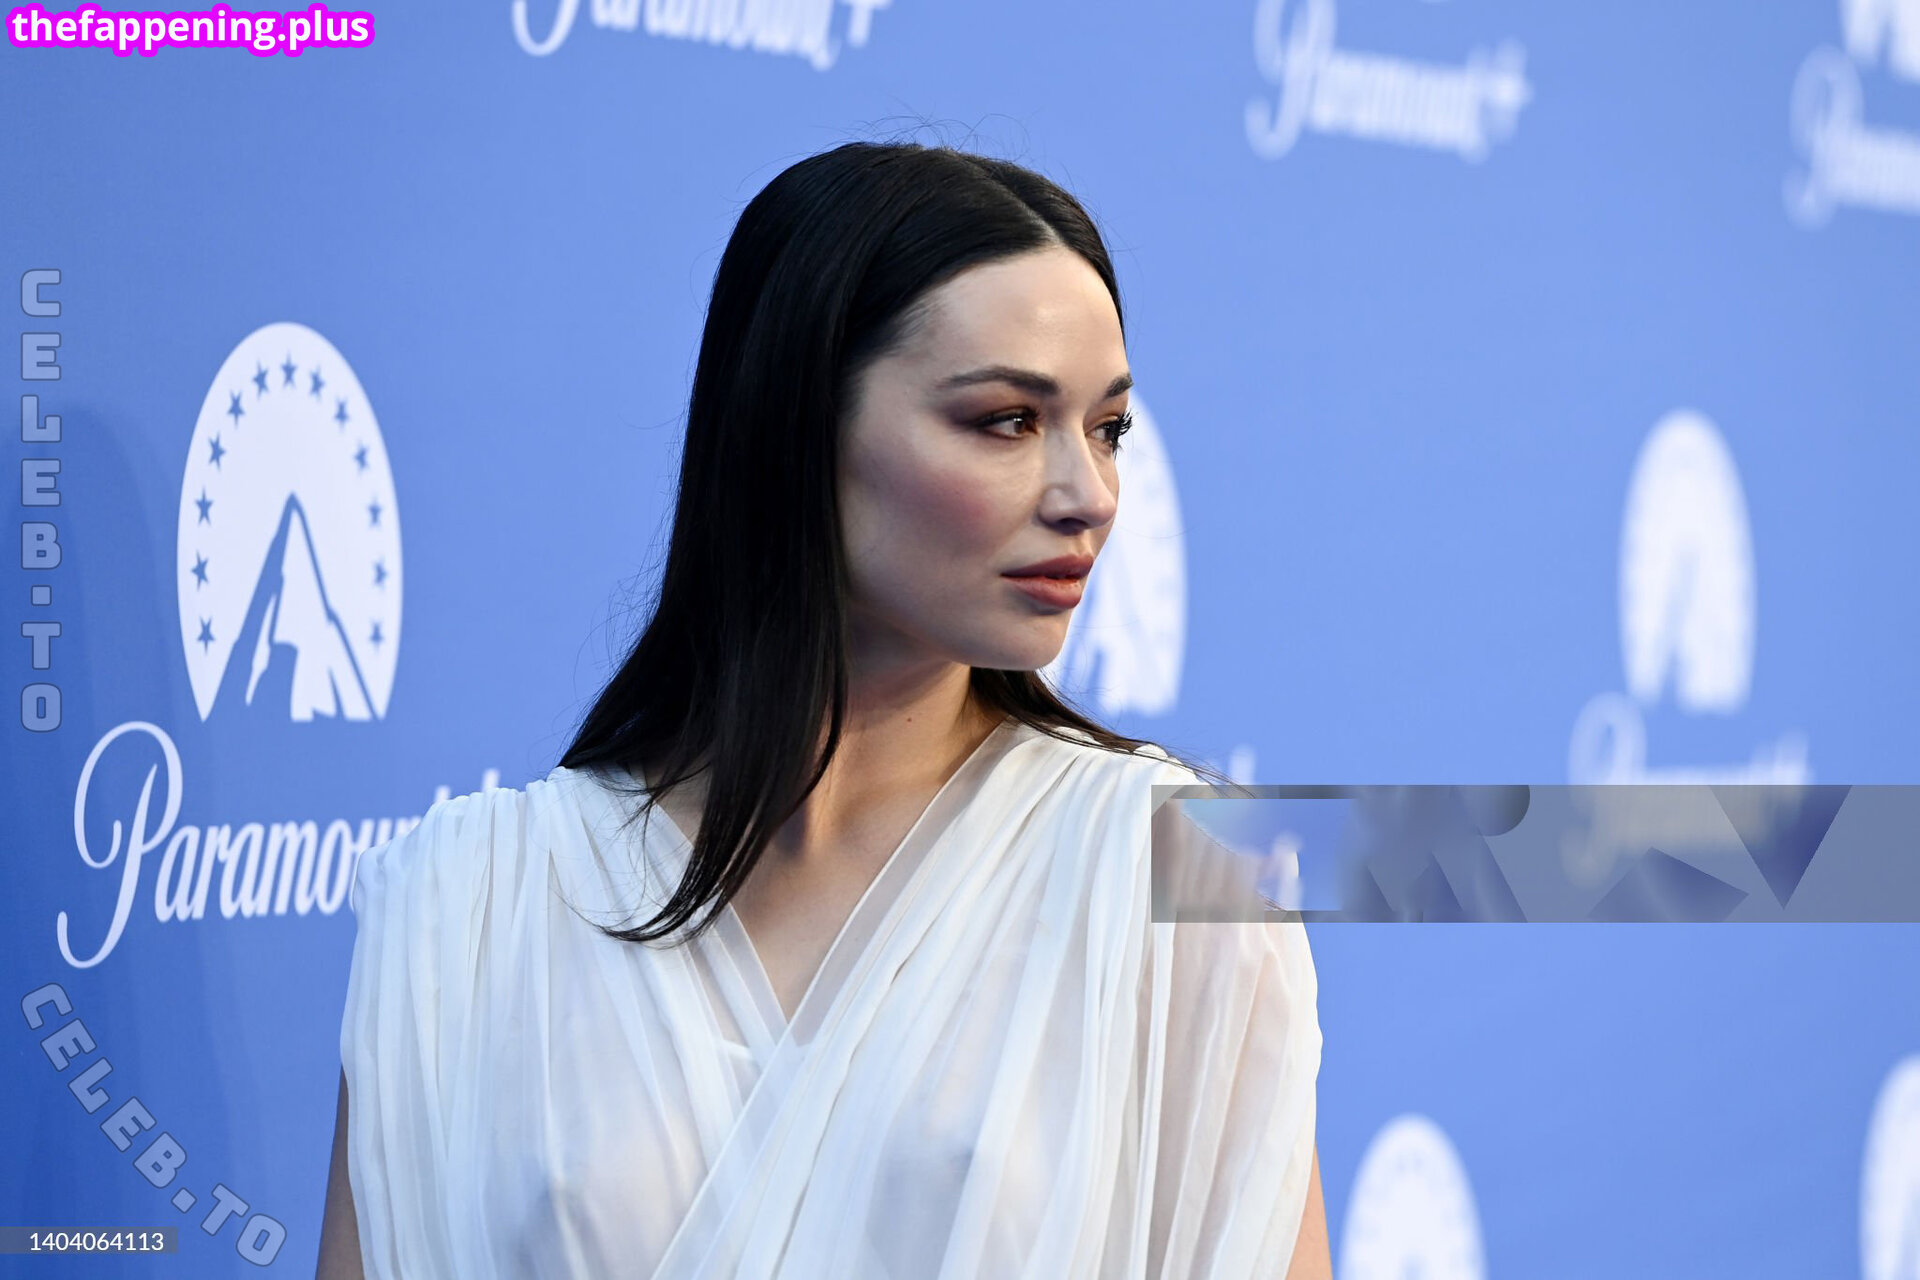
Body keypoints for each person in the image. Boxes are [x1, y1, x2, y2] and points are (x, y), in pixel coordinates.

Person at [316, 139, 1327, 1280]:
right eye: (1006, 419)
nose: (1088, 495)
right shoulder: (468, 906)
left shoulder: (1184, 868)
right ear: (794, 425)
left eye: (1108, 429)